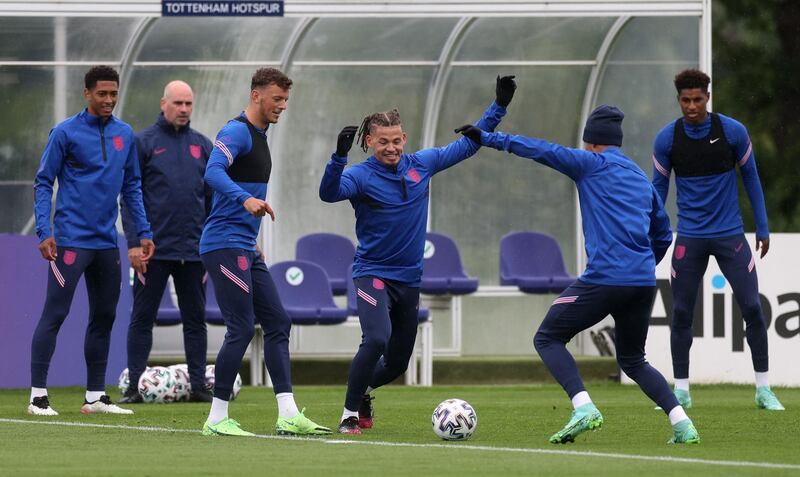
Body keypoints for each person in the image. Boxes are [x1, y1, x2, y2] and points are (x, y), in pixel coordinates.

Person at [456, 105, 699, 444]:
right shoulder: (640, 178)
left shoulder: (589, 164)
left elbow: (541, 150)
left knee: (547, 338)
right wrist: (641, 266)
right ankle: (682, 424)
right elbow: (663, 235)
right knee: (633, 359)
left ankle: (583, 407)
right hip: (642, 282)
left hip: (605, 278)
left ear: (592, 142)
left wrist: (487, 138)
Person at [320, 75, 515, 435]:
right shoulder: (361, 175)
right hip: (372, 274)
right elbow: (328, 193)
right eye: (383, 142)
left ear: (404, 139)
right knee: (376, 338)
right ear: (369, 141)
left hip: (409, 279)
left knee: (396, 364)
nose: (391, 148)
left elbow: (469, 145)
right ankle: (348, 414)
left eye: (396, 141)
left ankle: (362, 390)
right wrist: (338, 157)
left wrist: (498, 106)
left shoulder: (421, 164)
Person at [200, 67, 330, 437]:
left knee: (278, 323)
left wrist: (251, 234)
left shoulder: (260, 135)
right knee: (240, 329)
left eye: (286, 99)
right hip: (223, 245)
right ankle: (216, 419)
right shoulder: (236, 131)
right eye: (277, 98)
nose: (282, 106)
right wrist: (246, 200)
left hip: (244, 245)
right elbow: (212, 172)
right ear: (256, 95)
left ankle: (287, 413)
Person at [652, 69, 783, 411]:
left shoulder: (733, 132)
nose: (692, 106)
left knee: (753, 307)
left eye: (697, 99)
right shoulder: (667, 140)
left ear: (708, 97)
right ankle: (681, 391)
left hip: (730, 236)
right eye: (685, 100)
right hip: (690, 238)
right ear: (678, 100)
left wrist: (763, 227)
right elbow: (658, 191)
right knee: (680, 312)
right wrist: (650, 230)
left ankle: (763, 389)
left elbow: (751, 178)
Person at [30, 65, 154, 416]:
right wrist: (45, 230)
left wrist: (142, 232)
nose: (109, 100)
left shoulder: (125, 134)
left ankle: (95, 397)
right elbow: (43, 182)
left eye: (113, 94)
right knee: (55, 313)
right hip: (70, 240)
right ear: (87, 94)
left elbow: (132, 187)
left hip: (105, 243)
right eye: (102, 94)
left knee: (104, 316)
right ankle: (38, 396)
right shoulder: (65, 132)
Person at [119, 80, 214, 404]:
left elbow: (213, 201)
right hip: (152, 251)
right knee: (142, 319)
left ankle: (199, 386)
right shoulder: (143, 142)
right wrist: (134, 242)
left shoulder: (203, 145)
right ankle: (133, 387)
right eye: (178, 103)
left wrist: (211, 244)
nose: (184, 109)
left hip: (194, 251)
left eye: (188, 103)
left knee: (195, 320)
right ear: (164, 103)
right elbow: (129, 198)